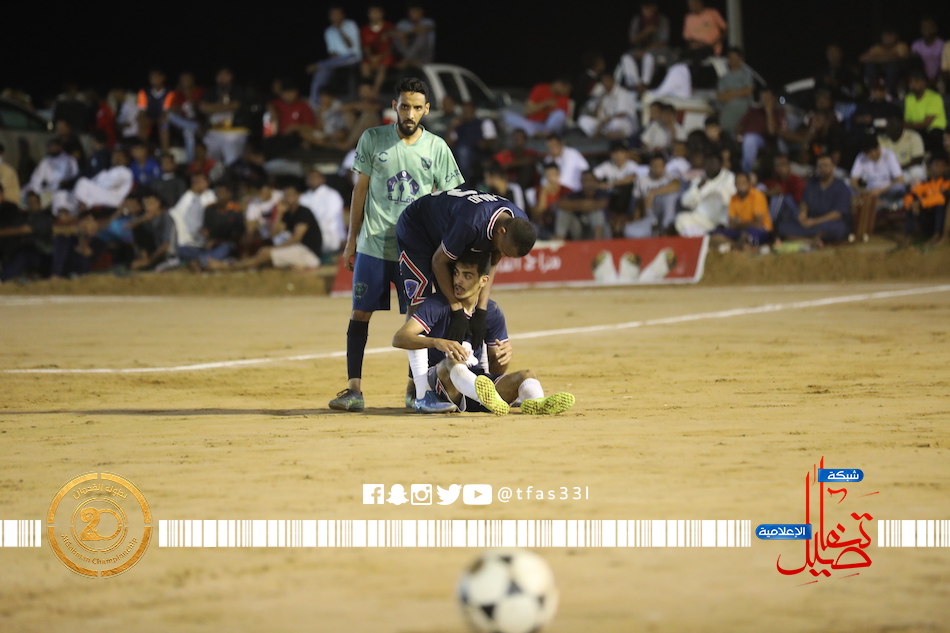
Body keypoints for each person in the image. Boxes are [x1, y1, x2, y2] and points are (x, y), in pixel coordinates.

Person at [329, 77, 464, 413]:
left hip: (415, 250)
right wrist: (351, 240)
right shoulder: (372, 138)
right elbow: (359, 190)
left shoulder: (437, 148)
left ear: (426, 109)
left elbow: (450, 200)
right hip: (373, 244)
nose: (410, 113)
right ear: (395, 106)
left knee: (416, 318)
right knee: (360, 313)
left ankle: (415, 388)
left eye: (417, 107)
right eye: (405, 106)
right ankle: (353, 390)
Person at [395, 188, 536, 412]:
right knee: (420, 301)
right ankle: (420, 392)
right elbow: (438, 261)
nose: (504, 256)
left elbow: (492, 261)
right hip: (418, 229)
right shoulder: (471, 224)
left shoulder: (517, 222)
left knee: (467, 275)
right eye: (506, 251)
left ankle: (473, 383)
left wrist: (481, 309)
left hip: (449, 227)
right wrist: (456, 308)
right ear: (501, 232)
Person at [392, 251, 575, 415]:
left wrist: (503, 358)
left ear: (483, 280)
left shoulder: (492, 312)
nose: (458, 281)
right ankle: (489, 398)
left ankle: (537, 402)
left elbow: (496, 370)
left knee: (527, 375)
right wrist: (436, 342)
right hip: (445, 384)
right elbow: (399, 338)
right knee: (452, 362)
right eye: (456, 273)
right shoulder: (438, 304)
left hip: (480, 381)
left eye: (467, 276)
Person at [213, 183, 323, 272]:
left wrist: (273, 249)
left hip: (308, 253)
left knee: (266, 254)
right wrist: (279, 214)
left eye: (291, 195)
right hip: (299, 250)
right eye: (286, 195)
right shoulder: (287, 214)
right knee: (264, 256)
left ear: (298, 196)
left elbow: (296, 238)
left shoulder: (304, 212)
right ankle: (234, 265)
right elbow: (273, 234)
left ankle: (228, 267)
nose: (288, 198)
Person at [776, 154, 851, 245]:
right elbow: (804, 203)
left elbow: (837, 214)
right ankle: (811, 241)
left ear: (833, 167)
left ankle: (805, 238)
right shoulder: (812, 183)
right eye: (820, 166)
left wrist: (814, 222)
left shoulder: (841, 187)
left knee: (837, 228)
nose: (823, 169)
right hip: (810, 221)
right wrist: (803, 214)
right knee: (782, 226)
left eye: (826, 165)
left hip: (827, 222)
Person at [308, 6, 363, 104]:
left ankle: (318, 65)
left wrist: (340, 30)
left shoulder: (351, 24)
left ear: (343, 15)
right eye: (333, 15)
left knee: (322, 66)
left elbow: (350, 46)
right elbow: (332, 53)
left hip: (353, 57)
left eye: (337, 14)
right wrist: (333, 59)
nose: (335, 17)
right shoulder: (329, 31)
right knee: (321, 72)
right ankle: (314, 102)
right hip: (338, 61)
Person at [675, 153, 736, 237]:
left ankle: (709, 237)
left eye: (714, 163)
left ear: (720, 165)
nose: (710, 166)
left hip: (722, 220)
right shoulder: (699, 180)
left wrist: (717, 194)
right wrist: (697, 188)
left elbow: (734, 199)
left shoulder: (730, 177)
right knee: (681, 219)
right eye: (708, 163)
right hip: (703, 219)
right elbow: (685, 202)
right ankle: (705, 238)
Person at [200, 68, 249, 166]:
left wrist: (213, 108)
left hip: (234, 131)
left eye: (225, 75)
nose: (222, 78)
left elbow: (235, 106)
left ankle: (232, 172)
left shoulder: (237, 90)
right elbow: (203, 107)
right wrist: (224, 107)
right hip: (214, 130)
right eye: (220, 76)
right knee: (209, 157)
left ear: (231, 77)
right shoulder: (211, 91)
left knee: (231, 156)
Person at [711, 171, 772, 249]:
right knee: (714, 234)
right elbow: (731, 222)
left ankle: (735, 246)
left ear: (749, 183)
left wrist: (738, 224)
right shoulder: (734, 198)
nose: (741, 185)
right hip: (740, 230)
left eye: (743, 182)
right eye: (738, 183)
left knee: (746, 237)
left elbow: (758, 224)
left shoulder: (758, 195)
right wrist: (742, 224)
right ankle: (736, 246)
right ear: (735, 185)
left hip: (760, 230)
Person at [736, 86, 788, 174]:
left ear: (773, 98)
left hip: (767, 143)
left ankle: (747, 173)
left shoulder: (778, 112)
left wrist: (769, 111)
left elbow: (772, 132)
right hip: (748, 141)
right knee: (748, 139)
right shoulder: (753, 111)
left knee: (750, 139)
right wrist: (739, 136)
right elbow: (740, 126)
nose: (764, 100)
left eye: (767, 98)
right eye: (762, 98)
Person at [629, 152, 682, 237]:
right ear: (649, 167)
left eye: (659, 166)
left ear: (664, 167)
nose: (656, 168)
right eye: (654, 166)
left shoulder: (671, 176)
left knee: (671, 196)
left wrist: (653, 193)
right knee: (629, 230)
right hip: (650, 214)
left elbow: (676, 186)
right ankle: (655, 227)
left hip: (666, 211)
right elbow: (637, 204)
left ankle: (667, 226)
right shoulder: (642, 180)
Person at [902, 154, 950, 246]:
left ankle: (936, 235)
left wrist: (921, 203)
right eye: (936, 165)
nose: (938, 168)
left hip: (940, 219)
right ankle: (908, 236)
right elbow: (911, 194)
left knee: (940, 205)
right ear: (930, 167)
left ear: (945, 168)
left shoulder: (946, 183)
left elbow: (942, 198)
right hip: (926, 219)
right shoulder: (925, 183)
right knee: (911, 204)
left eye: (942, 166)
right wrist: (911, 204)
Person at [299, 169, 346, 263]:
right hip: (309, 234)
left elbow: (329, 218)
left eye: (315, 178)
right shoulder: (303, 197)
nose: (312, 180)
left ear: (322, 179)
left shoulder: (332, 195)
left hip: (329, 235)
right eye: (310, 178)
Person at [503, 78, 572, 138]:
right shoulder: (540, 89)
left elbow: (562, 117)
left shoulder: (564, 97)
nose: (567, 92)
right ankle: (535, 134)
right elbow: (527, 112)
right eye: (566, 89)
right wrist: (544, 104)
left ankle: (544, 134)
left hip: (547, 127)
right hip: (532, 124)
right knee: (508, 116)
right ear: (559, 84)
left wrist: (551, 113)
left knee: (560, 114)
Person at [577, 73, 638, 140]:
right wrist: (601, 99)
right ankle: (605, 134)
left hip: (622, 123)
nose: (605, 84)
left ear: (612, 80)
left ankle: (604, 134)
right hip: (605, 124)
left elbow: (622, 114)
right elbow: (595, 115)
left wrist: (604, 122)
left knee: (615, 123)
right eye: (603, 82)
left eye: (606, 81)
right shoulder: (603, 94)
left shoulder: (622, 93)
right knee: (582, 119)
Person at [555, 170, 610, 240]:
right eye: (585, 180)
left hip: (599, 233)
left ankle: (598, 243)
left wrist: (574, 206)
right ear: (581, 182)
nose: (588, 183)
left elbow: (601, 204)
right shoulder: (576, 194)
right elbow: (560, 204)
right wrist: (586, 204)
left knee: (597, 213)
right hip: (580, 231)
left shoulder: (602, 194)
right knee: (563, 211)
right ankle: (559, 239)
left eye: (590, 180)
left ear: (595, 181)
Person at [904, 70, 947, 154]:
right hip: (918, 130)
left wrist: (906, 125)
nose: (913, 85)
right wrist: (906, 125)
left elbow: (926, 123)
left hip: (935, 129)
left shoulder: (935, 97)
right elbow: (907, 120)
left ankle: (938, 158)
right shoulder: (909, 98)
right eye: (911, 83)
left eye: (916, 82)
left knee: (935, 135)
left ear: (923, 83)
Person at [860, 28, 909, 98]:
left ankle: (889, 94)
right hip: (880, 75)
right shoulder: (877, 48)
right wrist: (887, 57)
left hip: (898, 76)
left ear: (896, 36)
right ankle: (874, 91)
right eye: (885, 35)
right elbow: (863, 58)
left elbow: (900, 57)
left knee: (892, 66)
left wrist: (878, 58)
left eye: (890, 35)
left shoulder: (900, 45)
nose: (887, 38)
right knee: (869, 65)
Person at [716, 47, 754, 136]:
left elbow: (748, 91)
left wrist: (730, 92)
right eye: (730, 58)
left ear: (740, 59)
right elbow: (721, 97)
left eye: (735, 57)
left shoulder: (746, 74)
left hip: (743, 111)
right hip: (727, 112)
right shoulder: (723, 78)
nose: (732, 60)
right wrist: (740, 92)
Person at [878, 115, 926, 185]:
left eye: (893, 124)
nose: (890, 126)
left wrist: (897, 169)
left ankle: (918, 190)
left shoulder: (913, 136)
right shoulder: (881, 139)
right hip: (890, 173)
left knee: (917, 171)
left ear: (901, 124)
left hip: (908, 170)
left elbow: (918, 160)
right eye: (888, 124)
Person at [360, 5, 396, 94]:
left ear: (382, 13)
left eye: (377, 12)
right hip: (372, 57)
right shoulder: (365, 29)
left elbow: (391, 47)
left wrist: (379, 58)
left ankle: (375, 92)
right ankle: (367, 92)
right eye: (372, 12)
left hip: (385, 56)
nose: (374, 15)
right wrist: (372, 58)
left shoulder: (389, 27)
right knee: (365, 66)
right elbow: (366, 47)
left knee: (382, 66)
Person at [392, 3, 436, 68]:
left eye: (415, 12)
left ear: (421, 12)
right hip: (407, 50)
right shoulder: (403, 23)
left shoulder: (428, 21)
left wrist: (404, 34)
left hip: (424, 54)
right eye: (411, 12)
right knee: (397, 36)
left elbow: (423, 30)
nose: (412, 14)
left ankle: (408, 60)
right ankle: (410, 61)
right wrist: (401, 36)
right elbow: (391, 32)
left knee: (422, 36)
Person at [910, 17, 943, 84]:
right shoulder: (916, 45)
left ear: (935, 28)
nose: (926, 29)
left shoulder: (942, 44)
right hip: (922, 80)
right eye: (924, 27)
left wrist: (935, 79)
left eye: (929, 27)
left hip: (939, 79)